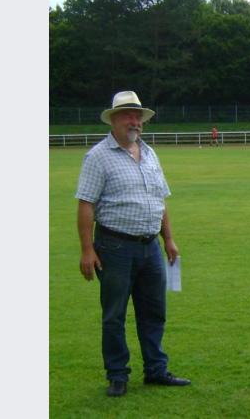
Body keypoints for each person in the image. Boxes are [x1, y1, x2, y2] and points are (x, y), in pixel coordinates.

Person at [76, 91, 190, 397]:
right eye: (128, 114)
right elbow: (86, 204)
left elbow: (159, 199)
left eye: (138, 115)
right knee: (114, 315)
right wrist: (87, 250)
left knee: (154, 312)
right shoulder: (98, 156)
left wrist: (168, 239)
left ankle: (156, 370)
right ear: (113, 119)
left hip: (150, 246)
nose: (134, 120)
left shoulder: (150, 153)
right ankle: (117, 375)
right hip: (114, 248)